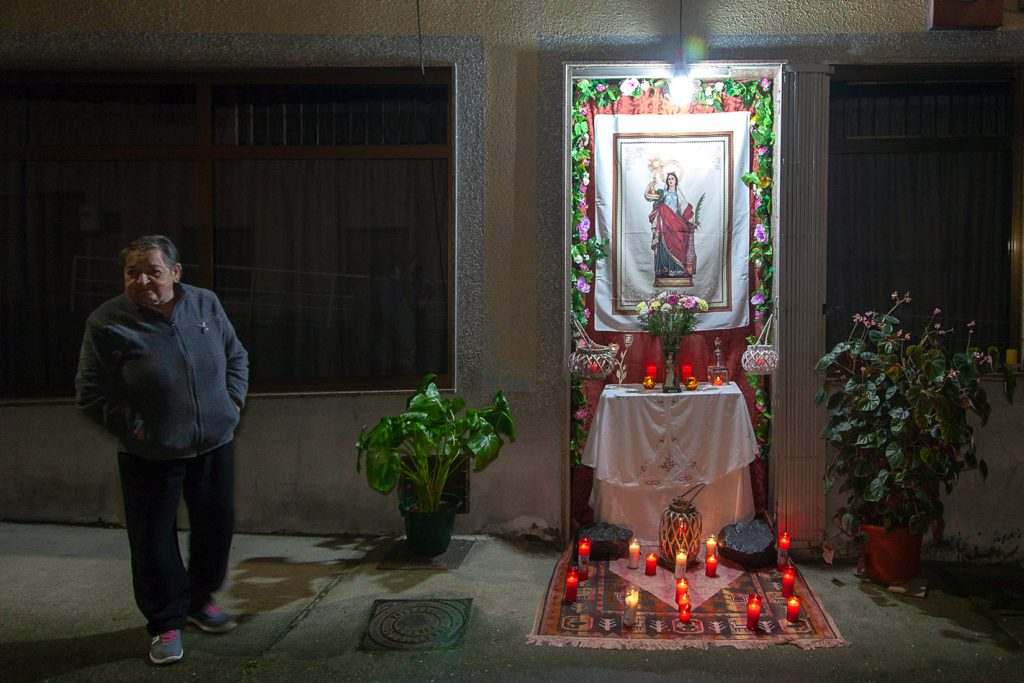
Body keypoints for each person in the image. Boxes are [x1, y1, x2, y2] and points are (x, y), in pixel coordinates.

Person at [75, 235, 248, 666]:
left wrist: (232, 404)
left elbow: (236, 355)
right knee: (153, 541)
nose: (142, 280)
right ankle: (166, 622)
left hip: (214, 443)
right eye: (132, 272)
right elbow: (91, 393)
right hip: (149, 454)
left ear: (175, 272)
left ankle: (200, 599)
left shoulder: (205, 304)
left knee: (216, 527)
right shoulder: (107, 322)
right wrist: (137, 429)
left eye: (153, 269)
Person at [645, 170, 698, 281]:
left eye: (672, 178)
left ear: (676, 180)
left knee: (678, 243)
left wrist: (691, 220)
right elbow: (649, 197)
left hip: (676, 222)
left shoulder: (679, 194)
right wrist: (650, 185)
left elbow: (685, 209)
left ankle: (677, 269)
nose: (670, 181)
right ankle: (665, 269)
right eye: (669, 179)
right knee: (663, 245)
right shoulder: (663, 193)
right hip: (665, 223)